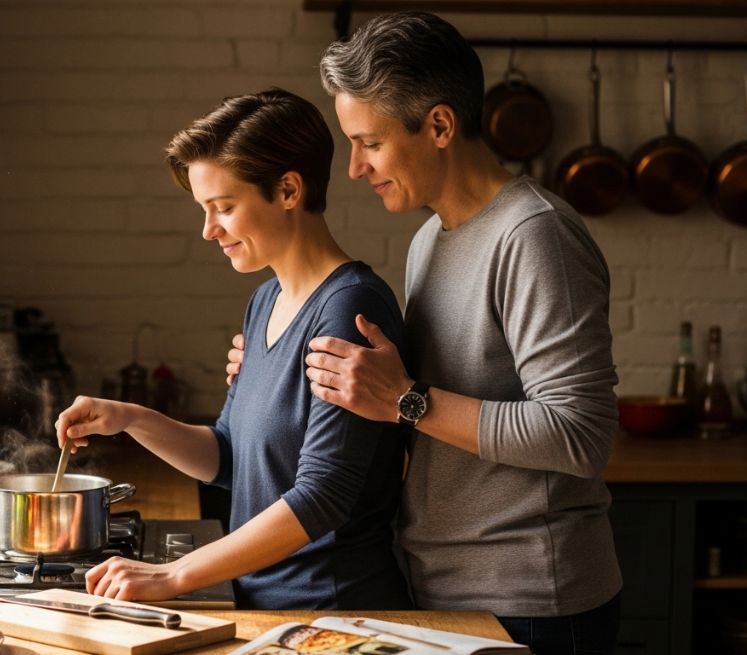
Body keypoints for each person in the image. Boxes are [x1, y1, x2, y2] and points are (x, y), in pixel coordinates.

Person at [224, 12, 622, 654]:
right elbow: (413, 408)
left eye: (370, 142)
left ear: (439, 125)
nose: (354, 167)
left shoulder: (534, 235)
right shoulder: (428, 241)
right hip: (442, 587)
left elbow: (580, 435)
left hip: (533, 600)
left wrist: (405, 399)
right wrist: (278, 378)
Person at [55, 88, 413, 610]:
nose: (207, 230)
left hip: (332, 610)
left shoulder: (351, 308)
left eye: (223, 207)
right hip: (260, 604)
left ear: (289, 190)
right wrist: (129, 418)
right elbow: (228, 457)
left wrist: (175, 574)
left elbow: (322, 497)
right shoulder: (265, 300)